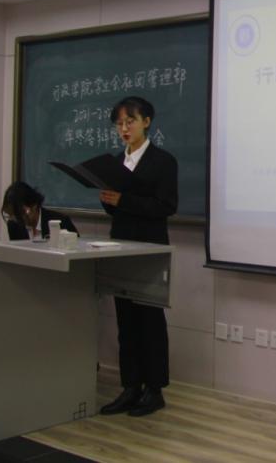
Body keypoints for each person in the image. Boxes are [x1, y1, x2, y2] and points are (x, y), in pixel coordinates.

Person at [98, 96, 178, 417]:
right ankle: (130, 386)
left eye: (129, 121)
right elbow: (114, 208)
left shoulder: (163, 161)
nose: (124, 128)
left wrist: (124, 200)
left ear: (146, 121)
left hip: (150, 248)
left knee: (150, 320)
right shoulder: (118, 162)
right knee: (126, 321)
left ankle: (154, 390)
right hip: (121, 246)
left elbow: (166, 206)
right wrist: (108, 199)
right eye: (119, 123)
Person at [1, 181, 76, 241]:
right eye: (10, 215)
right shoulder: (14, 226)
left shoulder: (61, 222)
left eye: (19, 213)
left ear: (34, 206)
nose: (16, 219)